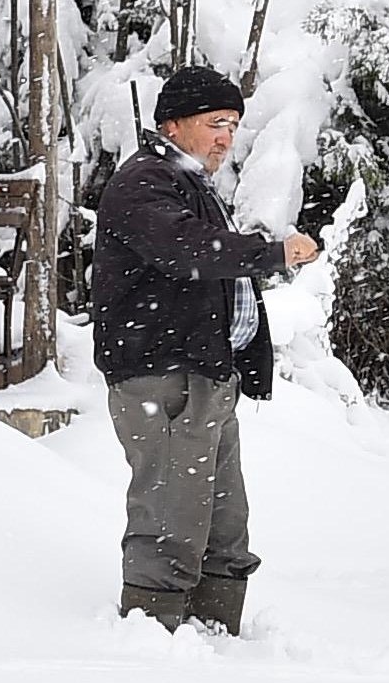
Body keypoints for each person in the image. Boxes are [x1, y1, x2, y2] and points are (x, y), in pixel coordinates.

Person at [92, 66, 319, 635]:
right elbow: (186, 251)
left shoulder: (191, 185)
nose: (227, 137)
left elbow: (205, 263)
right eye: (216, 123)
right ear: (172, 122)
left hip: (206, 379)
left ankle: (220, 638)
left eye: (234, 126)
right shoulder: (144, 181)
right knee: (171, 517)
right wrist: (269, 252)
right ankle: (154, 639)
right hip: (161, 378)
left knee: (223, 522)